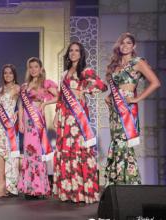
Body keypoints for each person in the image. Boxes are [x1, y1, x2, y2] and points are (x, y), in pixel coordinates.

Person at [53, 42, 108, 203]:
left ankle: (83, 192)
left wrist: (84, 91)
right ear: (68, 54)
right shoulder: (64, 74)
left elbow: (102, 86)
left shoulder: (85, 71)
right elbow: (61, 97)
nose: (73, 53)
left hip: (78, 118)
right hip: (64, 117)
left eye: (77, 50)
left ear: (81, 53)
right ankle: (69, 191)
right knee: (66, 151)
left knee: (79, 150)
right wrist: (57, 114)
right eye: (71, 50)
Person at [104, 32, 160, 185]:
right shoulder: (115, 65)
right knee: (116, 142)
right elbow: (116, 87)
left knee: (124, 143)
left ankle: (129, 183)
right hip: (115, 109)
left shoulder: (138, 62)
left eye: (128, 43)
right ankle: (117, 182)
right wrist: (109, 96)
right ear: (118, 45)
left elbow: (155, 82)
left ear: (133, 46)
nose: (125, 45)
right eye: (122, 43)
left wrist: (137, 98)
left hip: (127, 109)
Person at [18, 58, 58, 199]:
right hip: (27, 122)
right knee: (28, 153)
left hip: (38, 122)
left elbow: (58, 97)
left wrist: (45, 103)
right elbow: (22, 105)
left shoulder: (46, 83)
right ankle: (29, 188)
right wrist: (21, 122)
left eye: (36, 66)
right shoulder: (25, 85)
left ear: (40, 68)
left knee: (37, 152)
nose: (34, 69)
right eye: (31, 67)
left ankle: (40, 187)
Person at [0, 64, 20, 197]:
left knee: (8, 151)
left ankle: (9, 185)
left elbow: (24, 103)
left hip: (9, 125)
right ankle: (1, 182)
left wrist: (19, 114)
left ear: (14, 75)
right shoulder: (0, 90)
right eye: (5, 73)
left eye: (10, 73)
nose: (7, 75)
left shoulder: (17, 88)